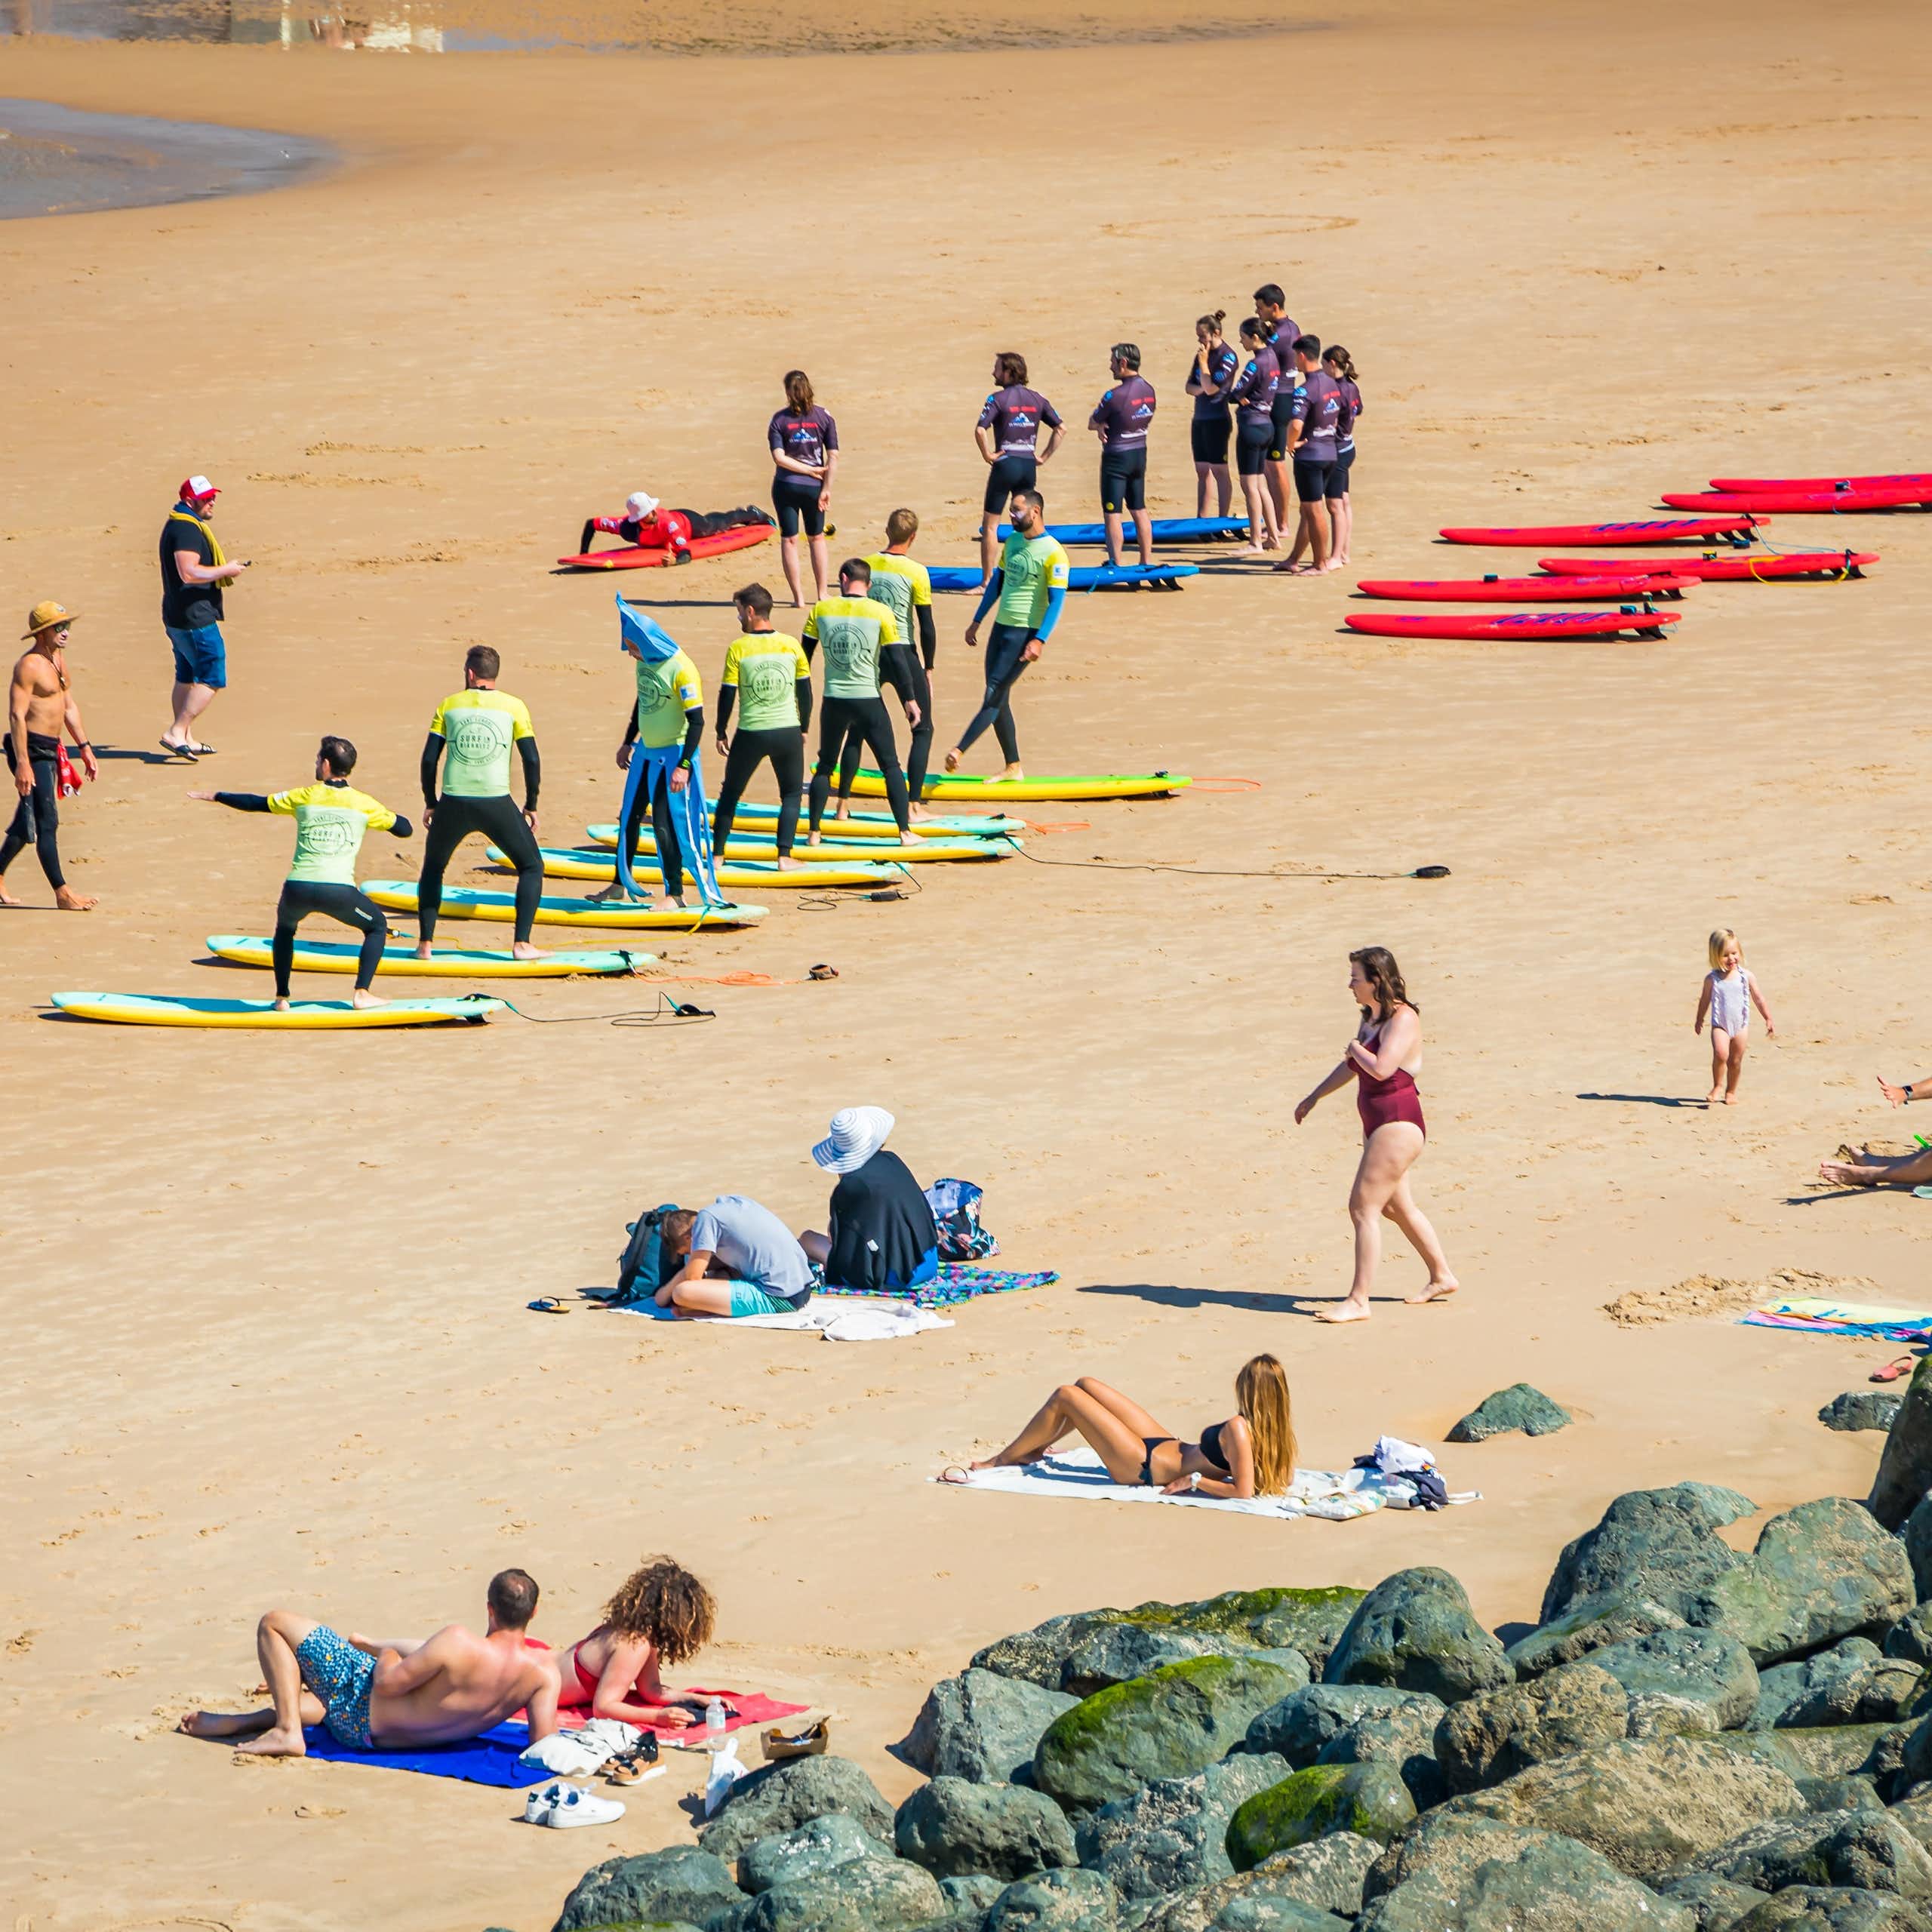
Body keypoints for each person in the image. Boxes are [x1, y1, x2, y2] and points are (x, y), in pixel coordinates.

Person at [177, 1569, 559, 1758]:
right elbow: (544, 1747)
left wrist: (384, 1654)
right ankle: (254, 1719)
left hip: (359, 1719)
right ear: (536, 1612)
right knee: (332, 1689)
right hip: (397, 1739)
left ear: (490, 1609)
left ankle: (287, 1729)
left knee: (274, 1623)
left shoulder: (458, 1641)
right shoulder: (542, 1674)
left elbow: (390, 1683)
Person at [1294, 946, 1459, 1321]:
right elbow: (1352, 1067)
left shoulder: (1404, 1018)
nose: (1350, 984)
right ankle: (1442, 1275)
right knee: (1394, 1206)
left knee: (1361, 1207)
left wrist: (1355, 1048)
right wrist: (1314, 1096)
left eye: (1355, 977)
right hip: (1378, 1123)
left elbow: (1382, 1069)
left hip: (1398, 1121)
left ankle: (1358, 1300)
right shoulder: (1371, 1017)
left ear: (1376, 980)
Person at [189, 736, 414, 1010]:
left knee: (285, 930)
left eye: (319, 759)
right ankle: (362, 993)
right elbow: (405, 830)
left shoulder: (304, 796)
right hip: (338, 892)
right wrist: (391, 818)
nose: (317, 763)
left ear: (327, 764)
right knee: (377, 926)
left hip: (297, 889)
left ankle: (281, 998)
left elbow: (255, 802)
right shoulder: (364, 804)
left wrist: (217, 796)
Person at [966, 1354, 1294, 1500]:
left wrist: (1196, 1481)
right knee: (1086, 1384)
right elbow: (1284, 1475)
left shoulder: (1239, 1427)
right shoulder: (1275, 1431)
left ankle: (1002, 1459)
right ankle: (1033, 1449)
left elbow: (1243, 1491)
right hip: (1165, 1443)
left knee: (1067, 1396)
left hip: (1143, 1466)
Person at [415, 646, 543, 962]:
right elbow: (531, 759)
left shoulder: (449, 705)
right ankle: (522, 944)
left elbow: (430, 759)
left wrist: (431, 802)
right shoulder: (515, 706)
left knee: (433, 869)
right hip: (496, 801)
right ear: (493, 674)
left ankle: (425, 945)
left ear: (470, 674)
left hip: (453, 801)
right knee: (531, 866)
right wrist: (531, 804)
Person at [595, 603, 712, 911]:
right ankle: (620, 884)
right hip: (646, 753)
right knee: (628, 819)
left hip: (674, 757)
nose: (630, 653)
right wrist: (627, 742)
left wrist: (684, 766)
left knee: (664, 823)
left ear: (646, 642)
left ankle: (675, 894)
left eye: (633, 647)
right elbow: (643, 701)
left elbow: (698, 721)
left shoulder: (682, 669)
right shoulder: (644, 662)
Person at [949, 488, 1068, 783]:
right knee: (999, 695)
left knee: (994, 694)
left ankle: (959, 750)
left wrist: (1040, 639)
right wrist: (977, 620)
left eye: (1016, 510)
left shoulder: (1054, 553)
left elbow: (1057, 602)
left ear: (1035, 512)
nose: (1011, 516)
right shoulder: (1013, 542)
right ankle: (1013, 766)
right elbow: (996, 585)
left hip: (1025, 633)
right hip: (1000, 628)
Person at [803, 558, 918, 841]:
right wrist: (909, 700)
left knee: (826, 766)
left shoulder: (821, 609)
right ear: (868, 584)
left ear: (843, 578)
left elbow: (803, 660)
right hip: (868, 699)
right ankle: (904, 832)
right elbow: (897, 660)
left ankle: (814, 833)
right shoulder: (881, 612)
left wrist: (800, 705)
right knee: (890, 765)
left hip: (833, 700)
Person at [835, 509, 937, 820]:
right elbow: (926, 626)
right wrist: (928, 667)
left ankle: (842, 806)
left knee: (857, 729)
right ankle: (913, 805)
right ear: (914, 537)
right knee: (922, 729)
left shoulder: (865, 565)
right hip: (903, 654)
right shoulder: (917, 571)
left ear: (886, 531)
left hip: (869, 654)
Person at [2, 601, 97, 912]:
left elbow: (67, 705)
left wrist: (84, 747)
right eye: (59, 627)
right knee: (47, 820)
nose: (65, 632)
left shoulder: (57, 659)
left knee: (25, 821)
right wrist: (23, 765)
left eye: (67, 625)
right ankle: (62, 893)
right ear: (42, 632)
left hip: (50, 748)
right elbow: (17, 716)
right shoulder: (28, 666)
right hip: (29, 749)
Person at [712, 583, 812, 868]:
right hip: (787, 731)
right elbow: (805, 692)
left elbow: (728, 694)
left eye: (739, 612)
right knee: (791, 794)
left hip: (751, 732)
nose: (739, 618)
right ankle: (784, 857)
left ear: (752, 611)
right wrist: (803, 728)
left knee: (730, 792)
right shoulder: (792, 645)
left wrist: (721, 731)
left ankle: (718, 855)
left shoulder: (738, 648)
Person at [558, 1556, 717, 1727]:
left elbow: (651, 1689)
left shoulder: (634, 1635)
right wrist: (657, 1717)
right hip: (535, 1687)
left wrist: (697, 1699)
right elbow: (603, 1708)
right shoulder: (633, 1645)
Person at [798, 1105, 938, 1294]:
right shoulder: (892, 1160)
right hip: (928, 1261)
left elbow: (837, 1240)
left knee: (807, 1239)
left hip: (898, 1277)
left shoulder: (851, 1186)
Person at [159, 475, 249, 760]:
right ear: (190, 501)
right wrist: (227, 570)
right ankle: (177, 730)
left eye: (213, 496)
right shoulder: (186, 529)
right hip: (193, 618)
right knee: (212, 674)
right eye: (206, 498)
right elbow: (189, 572)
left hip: (178, 614)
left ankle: (184, 737)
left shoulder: (181, 522)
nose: (212, 501)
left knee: (186, 674)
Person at [975, 353, 1065, 586]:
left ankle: (986, 581)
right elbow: (1061, 429)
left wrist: (988, 455)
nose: (993, 373)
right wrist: (1043, 457)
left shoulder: (997, 399)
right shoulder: (1037, 399)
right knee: (1026, 520)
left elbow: (980, 430)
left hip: (1005, 464)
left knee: (991, 526)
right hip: (1027, 464)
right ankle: (1027, 572)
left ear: (1009, 372)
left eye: (997, 369)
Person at [657, 1197, 816, 1318]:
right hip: (802, 1289)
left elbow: (692, 1277)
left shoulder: (705, 1221)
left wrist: (663, 1295)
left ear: (689, 1239)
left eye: (687, 1253)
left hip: (781, 1299)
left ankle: (702, 1309)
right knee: (721, 1272)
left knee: (682, 1292)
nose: (690, 1257)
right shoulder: (730, 1204)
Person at [768, 371, 838, 609]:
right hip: (814, 488)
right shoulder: (824, 416)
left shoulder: (779, 420)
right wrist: (825, 486)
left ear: (788, 392)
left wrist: (805, 471)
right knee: (817, 537)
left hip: (785, 486)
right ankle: (822, 592)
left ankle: (798, 597)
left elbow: (780, 458)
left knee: (789, 540)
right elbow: (833, 456)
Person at [1278, 336, 1343, 575]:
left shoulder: (1305, 390)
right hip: (1330, 453)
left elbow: (1296, 425)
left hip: (1311, 457)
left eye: (1296, 357)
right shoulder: (1331, 384)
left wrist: (1290, 444)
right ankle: (1294, 558)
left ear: (1302, 356)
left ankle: (1319, 564)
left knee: (1314, 510)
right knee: (1307, 509)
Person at [1088, 343, 1157, 571]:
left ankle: (1115, 562)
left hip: (1117, 457)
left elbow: (1093, 422)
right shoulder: (1149, 389)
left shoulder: (1115, 395)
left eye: (1113, 362)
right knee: (1139, 508)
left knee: (1112, 513)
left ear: (1123, 363)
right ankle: (1146, 560)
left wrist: (1101, 427)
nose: (1111, 367)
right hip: (1139, 453)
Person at [1695, 928, 1775, 1106]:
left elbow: (1758, 998)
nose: (1731, 958)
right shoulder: (1712, 979)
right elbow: (1704, 1000)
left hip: (1740, 1026)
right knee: (1721, 1054)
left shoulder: (1746, 976)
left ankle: (1731, 1091)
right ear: (1715, 956)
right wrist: (1699, 1019)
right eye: (1725, 955)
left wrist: (1767, 1017)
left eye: (1734, 953)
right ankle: (1717, 1086)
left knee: (1735, 1061)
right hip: (1720, 1025)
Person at [1226, 320, 1281, 552]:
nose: (1241, 341)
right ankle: (1274, 537)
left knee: (1250, 486)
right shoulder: (1274, 358)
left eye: (1244, 337)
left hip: (1251, 427)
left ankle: (1256, 541)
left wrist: (1237, 397)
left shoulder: (1256, 364)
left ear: (1255, 337)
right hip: (1267, 424)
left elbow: (1236, 393)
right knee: (1261, 485)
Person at [1253, 285, 1302, 540]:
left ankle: (1282, 524)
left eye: (1260, 308)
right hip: (1283, 395)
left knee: (1276, 464)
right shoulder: (1289, 327)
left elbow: (1261, 353)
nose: (1257, 312)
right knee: (1271, 465)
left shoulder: (1280, 335)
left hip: (1280, 399)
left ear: (1274, 307)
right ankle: (1275, 521)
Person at [578, 494, 772, 558]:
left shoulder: (666, 524)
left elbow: (685, 552)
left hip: (689, 523)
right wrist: (584, 554)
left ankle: (751, 513)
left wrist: (674, 561)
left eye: (652, 511)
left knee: (716, 525)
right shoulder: (623, 525)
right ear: (636, 520)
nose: (653, 515)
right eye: (647, 515)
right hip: (675, 522)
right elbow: (591, 524)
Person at [1186, 312, 1239, 517]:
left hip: (1217, 419)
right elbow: (1190, 387)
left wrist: (1204, 364)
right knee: (1201, 470)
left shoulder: (1227, 356)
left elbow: (1210, 389)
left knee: (1219, 471)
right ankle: (1202, 518)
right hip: (1200, 418)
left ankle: (1222, 519)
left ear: (1216, 333)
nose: (1200, 341)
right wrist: (1202, 383)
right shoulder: (1201, 356)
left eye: (1202, 336)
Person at [1322, 345, 1362, 568]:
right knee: (1345, 501)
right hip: (1348, 447)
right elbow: (1359, 410)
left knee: (1334, 505)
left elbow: (1328, 419)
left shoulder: (1336, 390)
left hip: (1337, 451)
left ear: (1332, 364)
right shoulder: (1352, 386)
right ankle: (1344, 553)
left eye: (1323, 363)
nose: (1321, 367)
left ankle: (1336, 556)